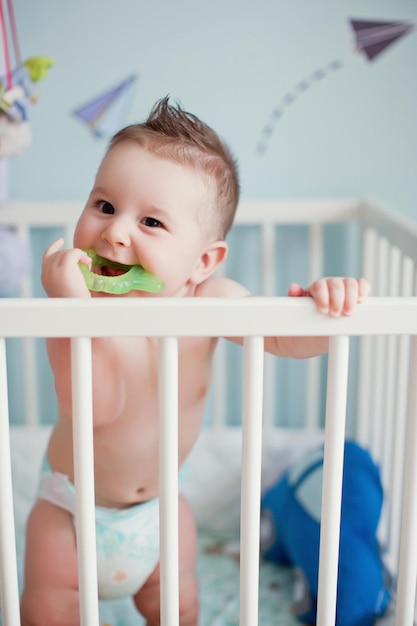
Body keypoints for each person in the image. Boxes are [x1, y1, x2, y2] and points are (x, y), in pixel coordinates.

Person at [20, 96, 370, 626]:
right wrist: (71, 309)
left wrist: (327, 309)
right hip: (70, 515)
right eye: (105, 207)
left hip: (160, 512)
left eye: (152, 223)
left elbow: (281, 338)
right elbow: (91, 406)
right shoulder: (79, 310)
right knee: (50, 609)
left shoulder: (210, 301)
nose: (115, 232)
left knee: (179, 605)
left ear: (203, 262)